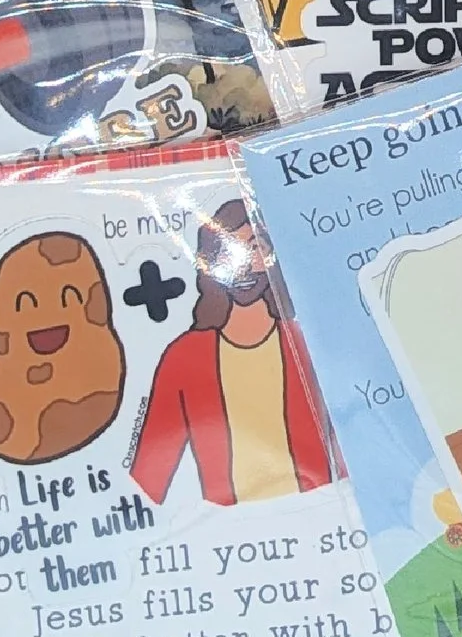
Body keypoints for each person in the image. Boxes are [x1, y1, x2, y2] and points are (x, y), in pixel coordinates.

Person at [129, 200, 336, 505]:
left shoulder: (308, 340)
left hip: (324, 511)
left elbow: (351, 438)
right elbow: (149, 476)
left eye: (256, 247)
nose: (245, 265)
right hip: (230, 524)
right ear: (208, 265)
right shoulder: (183, 358)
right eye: (226, 251)